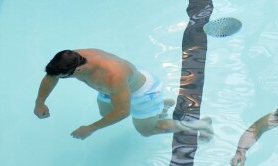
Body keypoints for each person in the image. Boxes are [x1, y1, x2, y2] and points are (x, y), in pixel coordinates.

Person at [33, 49, 213, 140]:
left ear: (78, 70)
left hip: (142, 93)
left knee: (147, 130)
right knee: (105, 114)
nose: (59, 78)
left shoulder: (112, 76)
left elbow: (122, 112)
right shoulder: (71, 58)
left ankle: (201, 124)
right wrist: (40, 102)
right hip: (114, 89)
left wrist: (91, 128)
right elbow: (52, 77)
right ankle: (162, 105)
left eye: (65, 78)